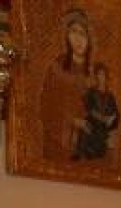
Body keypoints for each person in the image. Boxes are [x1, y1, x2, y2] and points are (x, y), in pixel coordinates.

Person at [41, 9, 93, 163]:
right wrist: (72, 120)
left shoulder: (95, 75)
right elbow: (46, 106)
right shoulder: (56, 69)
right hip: (59, 145)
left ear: (89, 39)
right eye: (73, 32)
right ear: (66, 37)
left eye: (83, 34)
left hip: (87, 145)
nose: (78, 39)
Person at [73, 63, 120, 161]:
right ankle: (81, 154)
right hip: (92, 122)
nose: (101, 77)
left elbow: (116, 114)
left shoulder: (110, 96)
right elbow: (89, 110)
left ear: (106, 77)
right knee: (86, 129)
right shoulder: (91, 92)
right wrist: (102, 118)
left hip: (104, 127)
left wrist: (111, 120)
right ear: (96, 76)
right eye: (99, 74)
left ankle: (95, 153)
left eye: (103, 75)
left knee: (99, 148)